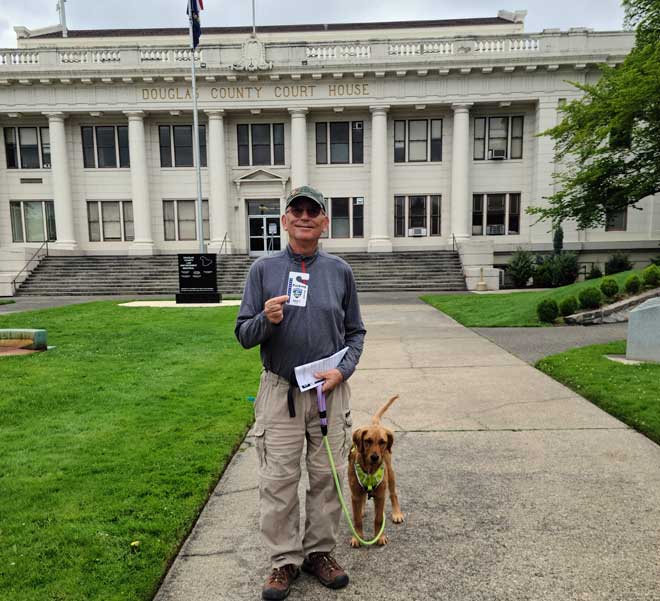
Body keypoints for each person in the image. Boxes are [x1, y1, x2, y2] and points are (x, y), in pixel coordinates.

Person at [235, 185, 366, 601]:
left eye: (314, 211)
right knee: (278, 481)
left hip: (329, 392)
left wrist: (341, 372)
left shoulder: (340, 271)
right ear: (285, 220)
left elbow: (355, 333)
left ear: (324, 222)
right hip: (281, 393)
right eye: (298, 210)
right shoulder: (263, 270)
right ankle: (284, 560)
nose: (305, 216)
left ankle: (319, 553)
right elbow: (242, 334)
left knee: (326, 479)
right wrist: (266, 320)